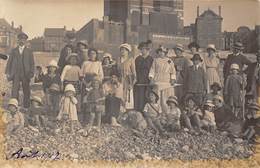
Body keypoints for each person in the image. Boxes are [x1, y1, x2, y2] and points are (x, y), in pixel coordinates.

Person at [5, 32, 35, 108]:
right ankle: (14, 106)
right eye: (20, 39)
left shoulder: (29, 51)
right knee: (15, 90)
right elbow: (9, 62)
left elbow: (32, 63)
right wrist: (8, 72)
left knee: (26, 90)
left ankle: (26, 106)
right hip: (16, 73)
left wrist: (31, 73)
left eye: (24, 39)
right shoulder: (14, 51)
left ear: (26, 41)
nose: (22, 41)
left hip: (26, 73)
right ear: (18, 40)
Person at [149, 45, 176, 112]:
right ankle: (157, 112)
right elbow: (152, 70)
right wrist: (151, 78)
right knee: (158, 98)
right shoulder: (155, 60)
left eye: (163, 52)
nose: (161, 53)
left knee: (166, 98)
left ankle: (167, 112)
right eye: (160, 52)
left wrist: (173, 79)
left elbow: (173, 71)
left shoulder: (169, 61)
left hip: (166, 82)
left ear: (165, 52)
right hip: (158, 81)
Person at [134, 40, 154, 111]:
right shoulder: (137, 59)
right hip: (139, 80)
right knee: (139, 97)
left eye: (144, 49)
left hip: (148, 81)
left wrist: (151, 80)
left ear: (147, 49)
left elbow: (153, 70)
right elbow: (135, 70)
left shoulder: (151, 59)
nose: (142, 50)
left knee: (147, 96)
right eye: (141, 49)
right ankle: (139, 112)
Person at [117, 43, 136, 110]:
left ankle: (125, 111)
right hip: (119, 80)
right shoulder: (118, 59)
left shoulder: (131, 60)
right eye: (121, 50)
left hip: (128, 80)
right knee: (119, 95)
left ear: (128, 51)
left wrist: (131, 84)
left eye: (124, 50)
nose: (122, 51)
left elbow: (134, 74)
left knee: (126, 96)